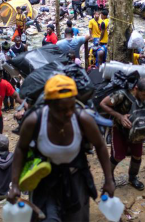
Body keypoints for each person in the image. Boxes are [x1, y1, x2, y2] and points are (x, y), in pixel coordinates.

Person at [7, 75, 115, 221]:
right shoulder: (34, 121)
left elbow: (101, 146)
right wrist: (14, 184)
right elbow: (21, 149)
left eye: (72, 107)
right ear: (48, 105)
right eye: (62, 109)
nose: (68, 113)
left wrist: (109, 180)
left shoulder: (82, 119)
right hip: (44, 181)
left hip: (75, 178)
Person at [100, 78, 145, 190]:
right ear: (136, 89)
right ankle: (109, 178)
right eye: (143, 95)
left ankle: (132, 178)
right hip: (120, 129)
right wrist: (120, 116)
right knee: (117, 156)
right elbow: (103, 104)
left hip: (138, 130)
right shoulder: (121, 95)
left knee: (137, 155)